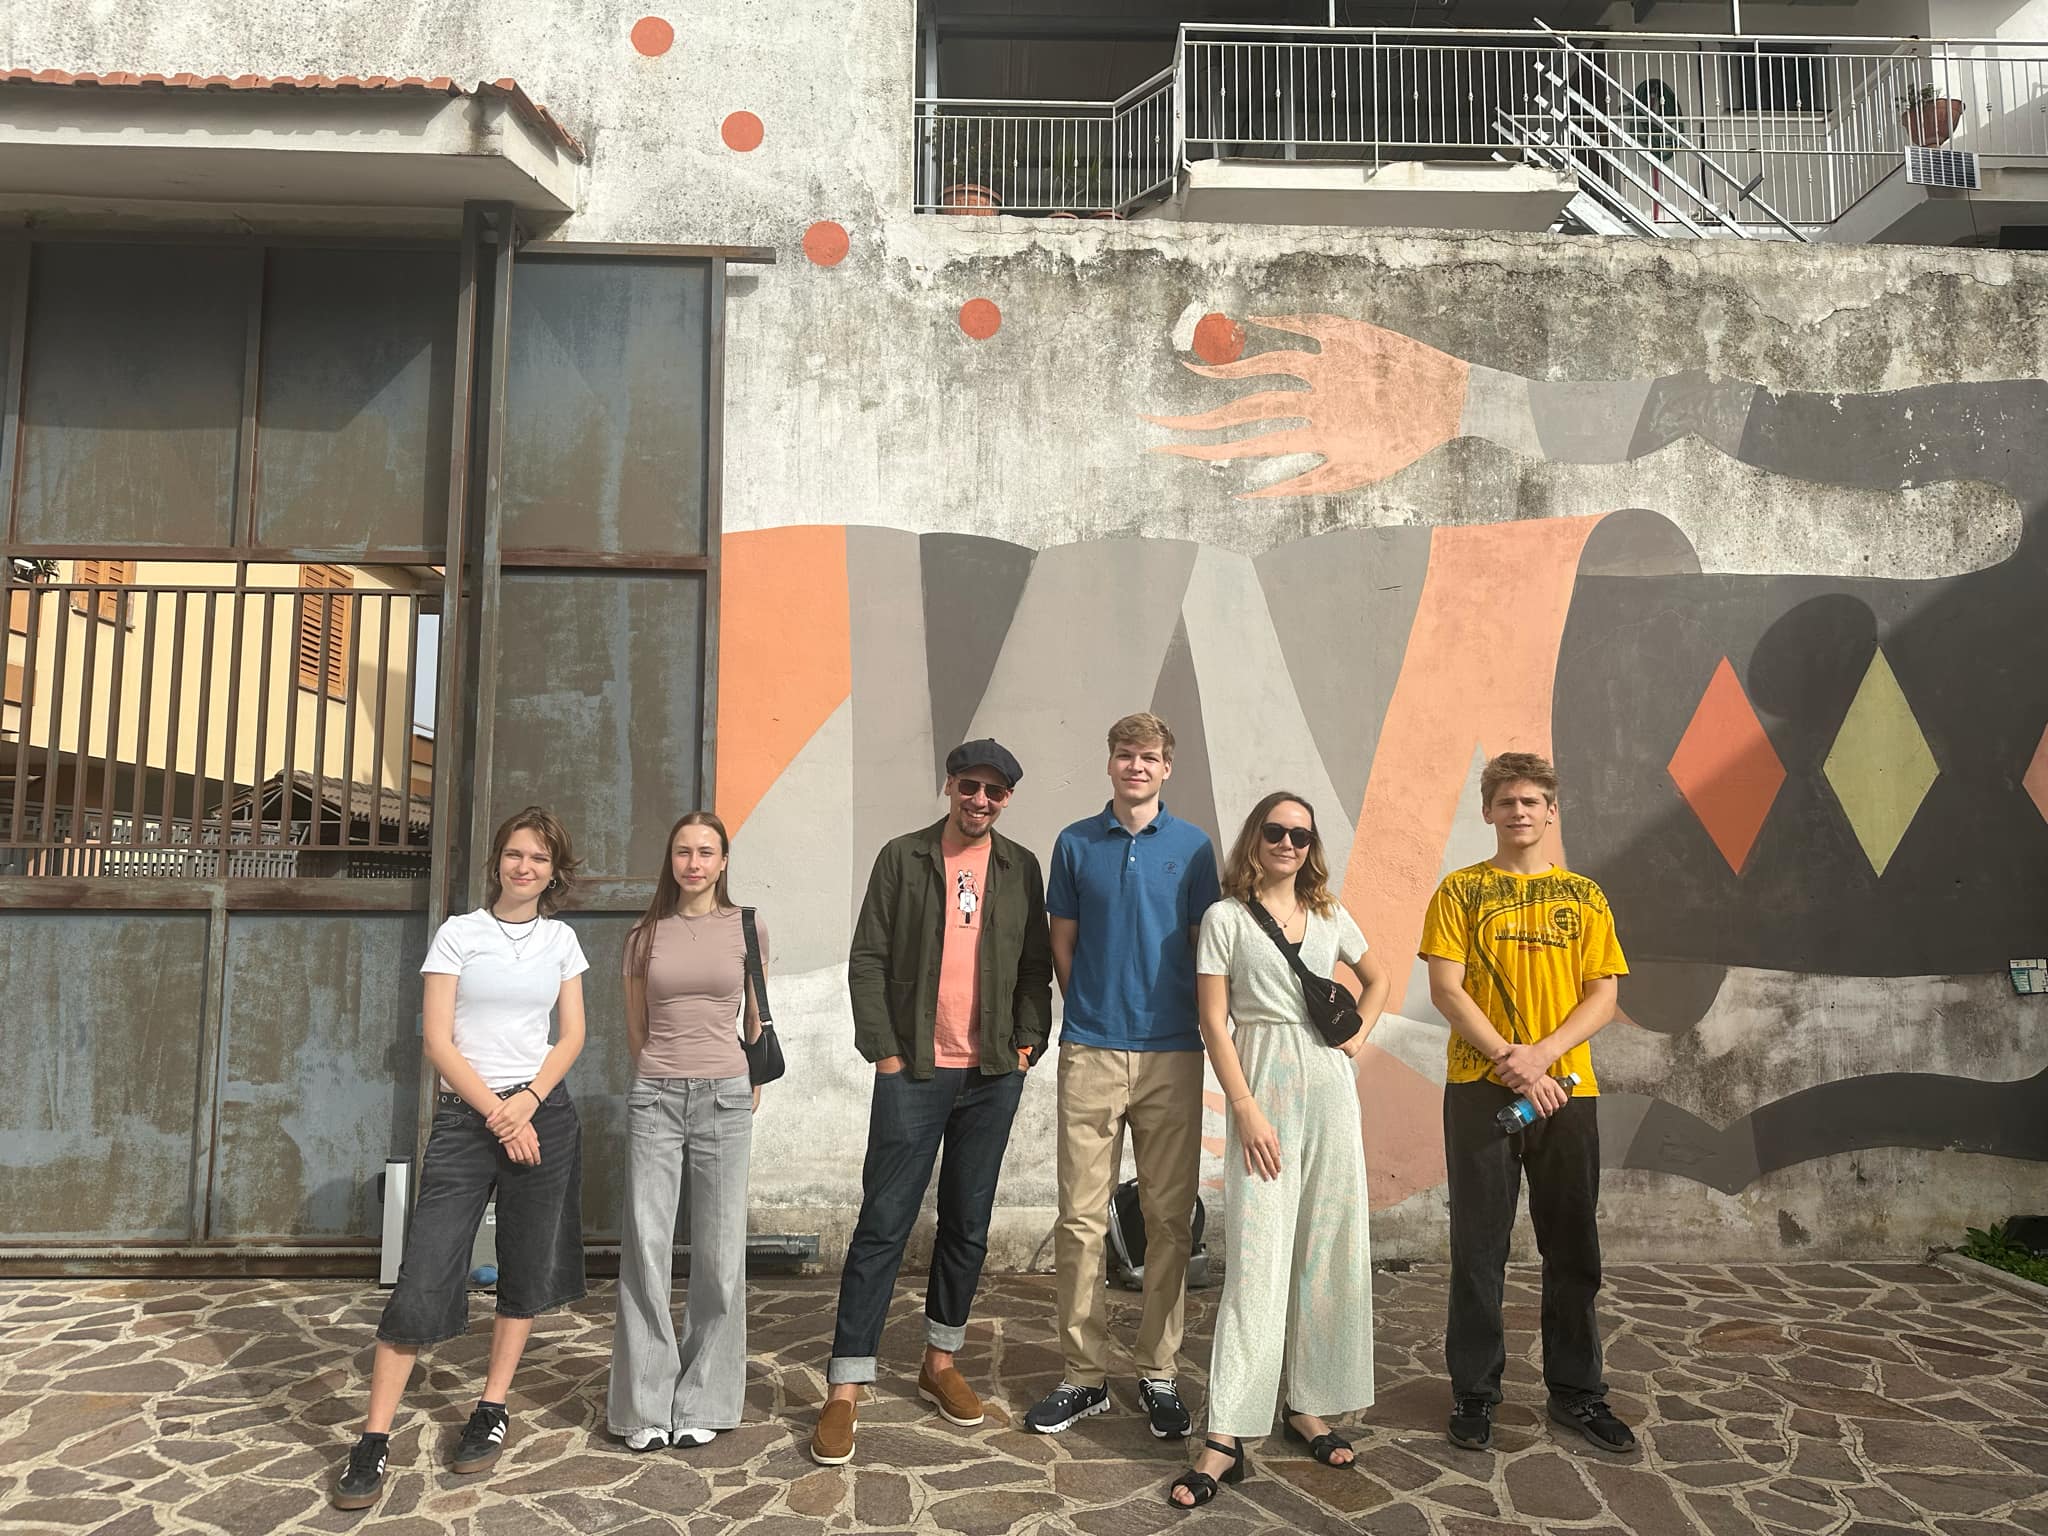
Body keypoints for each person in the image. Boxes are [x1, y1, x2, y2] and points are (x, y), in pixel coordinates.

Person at [331, 808, 589, 1511]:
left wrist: (527, 1103)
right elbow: (438, 1041)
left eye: (538, 858)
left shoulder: (562, 941)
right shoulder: (458, 933)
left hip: (542, 1115)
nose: (524, 867)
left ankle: (491, 1406)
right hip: (468, 1120)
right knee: (424, 1271)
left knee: (525, 1264)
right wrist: (500, 1115)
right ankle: (373, 1438)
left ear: (553, 871)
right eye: (515, 854)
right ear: (497, 861)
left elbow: (572, 1036)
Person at [809, 738, 1054, 1466]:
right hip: (914, 1070)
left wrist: (1026, 1044)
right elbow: (868, 958)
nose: (980, 800)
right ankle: (846, 1386)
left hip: (992, 1074)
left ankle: (939, 1361)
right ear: (949, 786)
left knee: (967, 1225)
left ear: (1007, 800)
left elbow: (1034, 967)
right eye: (970, 786)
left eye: (994, 791)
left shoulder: (1020, 868)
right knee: (882, 1223)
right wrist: (884, 1053)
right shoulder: (904, 857)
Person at [1171, 792, 1390, 1507]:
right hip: (1262, 1087)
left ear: (1311, 845)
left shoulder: (1329, 913)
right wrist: (1243, 1107)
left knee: (1327, 1247)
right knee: (1258, 1260)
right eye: (1276, 831)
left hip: (1330, 1093)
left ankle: (1307, 1404)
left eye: (1301, 835)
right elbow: (1213, 1020)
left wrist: (1357, 1037)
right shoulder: (1226, 918)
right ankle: (1226, 1434)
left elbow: (1380, 978)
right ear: (1255, 838)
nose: (1288, 843)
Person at [1420, 751, 1635, 1456]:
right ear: (1488, 811)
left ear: (1551, 811)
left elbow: (1604, 994)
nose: (1519, 811)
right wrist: (1511, 1061)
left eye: (1532, 801)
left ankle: (1577, 1391)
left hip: (1566, 1091)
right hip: (1479, 1088)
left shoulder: (1584, 896)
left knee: (1572, 1245)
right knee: (1479, 1247)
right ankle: (1475, 1392)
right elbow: (1447, 989)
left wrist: (1542, 1055)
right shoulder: (1461, 891)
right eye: (1507, 801)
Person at [1026, 713, 1220, 1440]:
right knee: (1079, 1220)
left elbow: (1205, 949)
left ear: (1167, 767)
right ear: (1109, 763)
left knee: (1169, 1221)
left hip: (1173, 1050)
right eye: (1125, 755)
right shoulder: (1075, 843)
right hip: (1092, 1049)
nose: (1136, 766)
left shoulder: (1193, 848)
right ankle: (1084, 1376)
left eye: (1149, 757)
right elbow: (1063, 944)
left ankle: (1158, 1370)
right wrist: (1091, 1011)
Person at [608, 811, 768, 1452]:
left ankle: (704, 1398)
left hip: (725, 1098)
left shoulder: (747, 926)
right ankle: (645, 1405)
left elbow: (754, 1012)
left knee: (721, 1252)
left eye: (706, 852)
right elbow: (635, 1027)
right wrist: (660, 1073)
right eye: (683, 852)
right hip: (656, 1097)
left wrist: (747, 1079)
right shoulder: (644, 935)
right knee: (646, 1249)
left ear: (723, 861)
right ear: (670, 860)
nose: (694, 863)